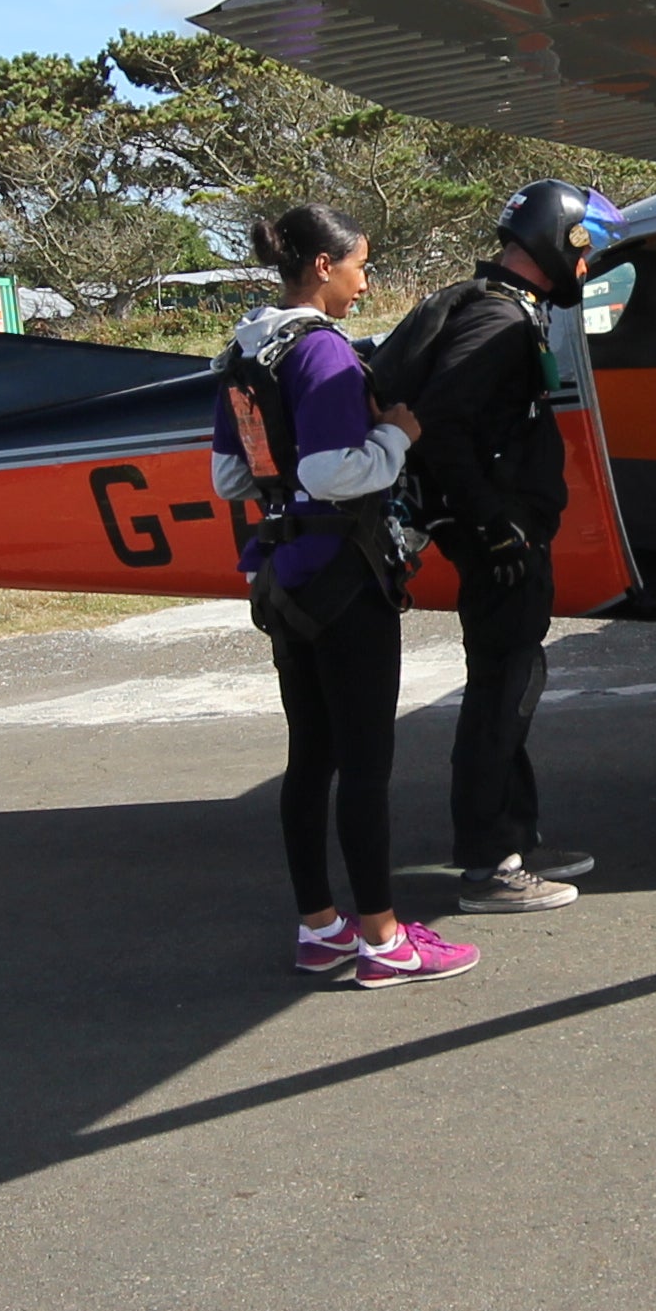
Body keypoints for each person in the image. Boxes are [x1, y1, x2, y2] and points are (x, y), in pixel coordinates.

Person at [214, 205, 474, 989]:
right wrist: (395, 434)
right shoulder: (323, 352)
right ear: (323, 267)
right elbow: (333, 471)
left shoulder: (246, 348)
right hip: (346, 578)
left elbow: (231, 476)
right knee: (366, 765)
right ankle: (384, 939)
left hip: (286, 580)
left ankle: (319, 926)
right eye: (361, 266)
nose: (367, 283)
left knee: (311, 758)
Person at [368, 179, 614, 915]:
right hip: (500, 541)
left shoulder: (498, 307)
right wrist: (491, 523)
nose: (587, 264)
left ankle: (515, 834)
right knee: (501, 691)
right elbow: (441, 424)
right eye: (585, 248)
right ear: (556, 241)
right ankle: (488, 863)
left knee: (515, 682)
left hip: (502, 531)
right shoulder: (500, 321)